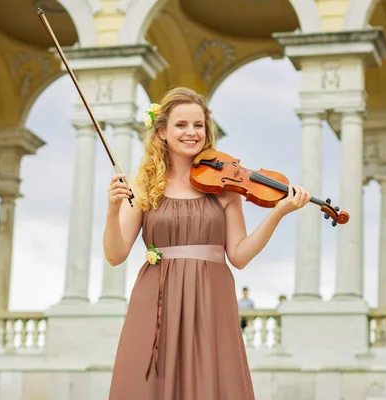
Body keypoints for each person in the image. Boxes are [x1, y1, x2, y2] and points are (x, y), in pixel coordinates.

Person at [103, 87, 311, 399]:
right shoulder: (143, 186)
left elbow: (239, 256)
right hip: (157, 294)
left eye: (198, 125)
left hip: (211, 295)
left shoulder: (225, 187)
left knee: (211, 380)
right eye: (181, 125)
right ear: (161, 131)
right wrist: (112, 210)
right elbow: (115, 254)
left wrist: (277, 214)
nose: (191, 132)